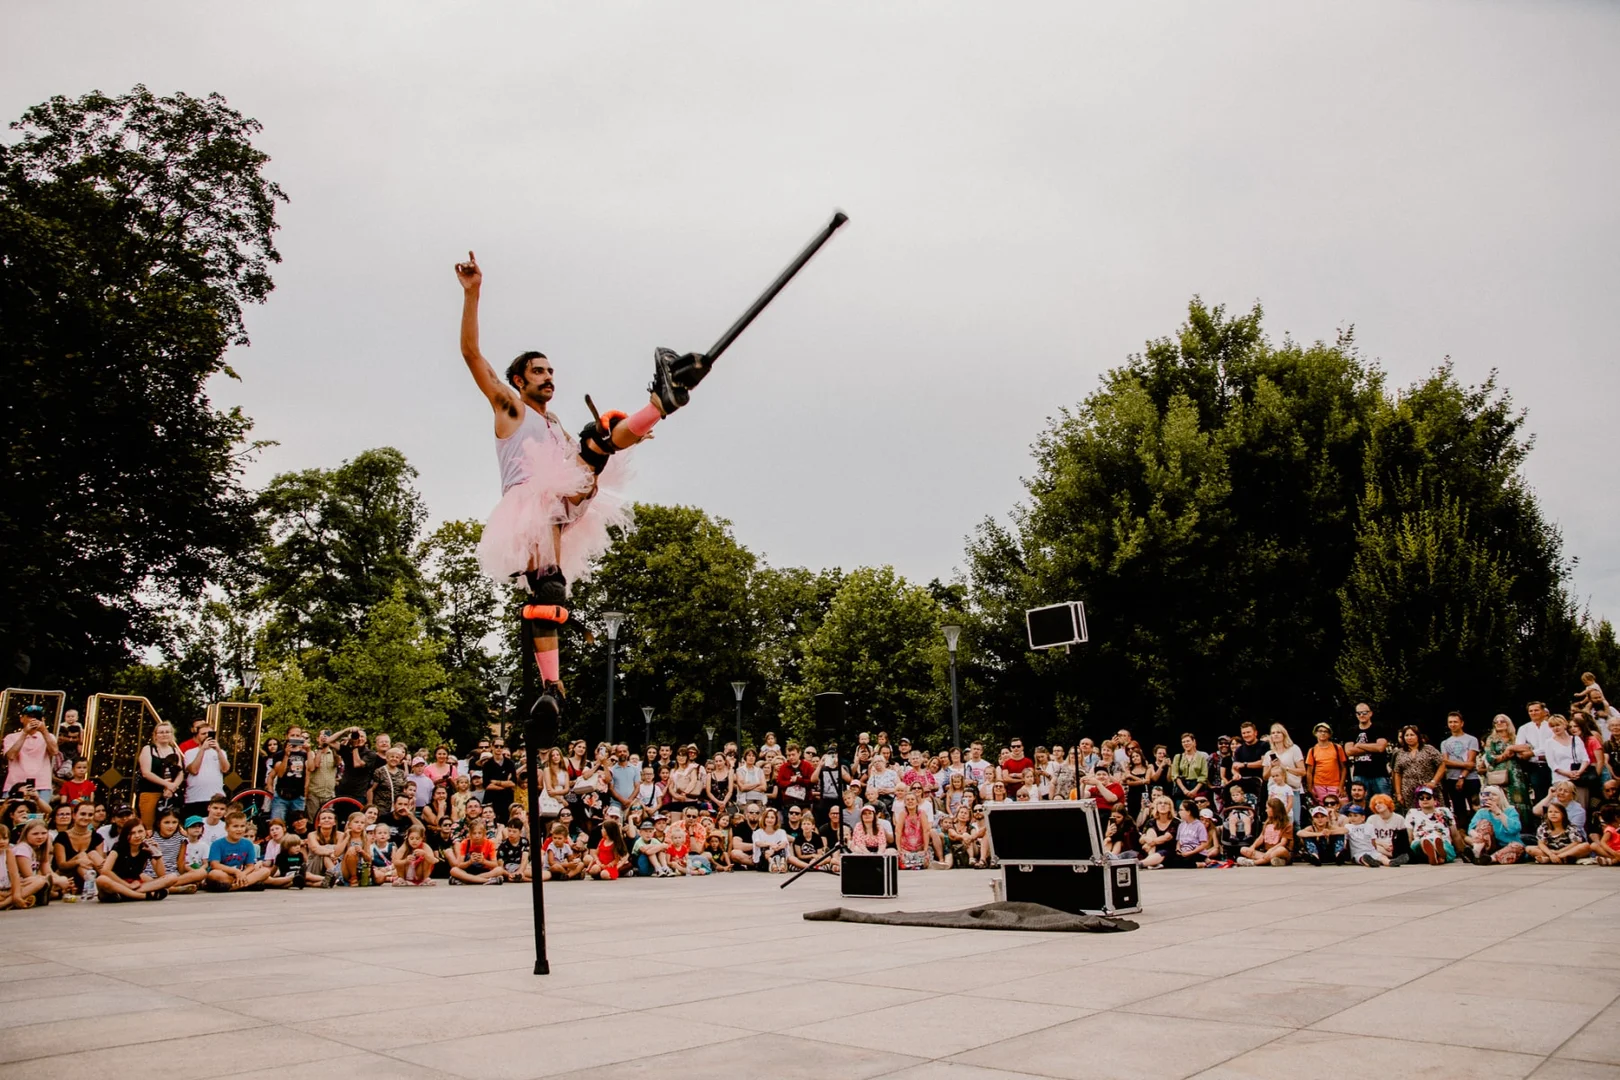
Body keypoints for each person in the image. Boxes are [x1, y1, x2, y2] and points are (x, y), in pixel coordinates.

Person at [456, 252, 680, 716]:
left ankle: (660, 403)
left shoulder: (554, 421)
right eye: (539, 371)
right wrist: (473, 293)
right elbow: (473, 355)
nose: (548, 378)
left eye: (551, 372)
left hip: (564, 500)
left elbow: (584, 459)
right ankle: (552, 686)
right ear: (519, 380)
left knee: (599, 439)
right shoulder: (510, 409)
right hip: (529, 507)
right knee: (549, 592)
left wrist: (619, 438)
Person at [95, 822, 176, 901]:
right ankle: (142, 896)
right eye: (132, 833)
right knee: (101, 879)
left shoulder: (146, 848)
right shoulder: (118, 846)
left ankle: (126, 894)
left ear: (146, 832)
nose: (137, 836)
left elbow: (161, 875)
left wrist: (158, 853)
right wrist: (128, 885)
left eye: (140, 831)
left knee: (172, 877)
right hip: (116, 883)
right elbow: (106, 871)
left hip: (136, 884)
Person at [1480, 714, 1532, 822]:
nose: (1499, 723)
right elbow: (1490, 758)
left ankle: (1522, 825)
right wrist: (1506, 754)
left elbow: (1528, 749)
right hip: (1499, 775)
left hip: (1516, 775)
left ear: (1508, 723)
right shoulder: (1491, 739)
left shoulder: (1516, 738)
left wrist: (1512, 748)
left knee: (1519, 800)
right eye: (1496, 722)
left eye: (1502, 721)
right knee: (1500, 799)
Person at [4, 705, 59, 804]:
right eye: (30, 716)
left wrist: (44, 731)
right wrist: (25, 733)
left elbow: (54, 752)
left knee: (41, 813)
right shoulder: (11, 737)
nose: (34, 719)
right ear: (22, 719)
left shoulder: (49, 736)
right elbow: (11, 756)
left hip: (42, 786)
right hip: (14, 785)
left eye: (37, 717)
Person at [135, 721, 184, 830]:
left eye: (167, 732)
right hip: (150, 793)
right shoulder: (148, 749)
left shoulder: (175, 751)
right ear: (155, 735)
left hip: (170, 794)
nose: (164, 734)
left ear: (171, 734)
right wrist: (167, 784)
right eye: (161, 732)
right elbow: (146, 773)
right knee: (149, 826)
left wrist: (172, 787)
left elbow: (180, 772)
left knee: (170, 826)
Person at [206, 811, 270, 892]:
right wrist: (236, 872)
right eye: (235, 826)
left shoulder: (248, 844)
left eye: (242, 826)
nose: (239, 829)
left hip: (242, 874)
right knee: (214, 874)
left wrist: (242, 874)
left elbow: (250, 866)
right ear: (227, 828)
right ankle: (247, 884)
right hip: (225, 874)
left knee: (265, 871)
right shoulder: (217, 844)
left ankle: (233, 887)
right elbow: (215, 865)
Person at [1437, 711, 1480, 822]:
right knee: (1459, 810)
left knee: (1476, 808)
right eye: (1450, 722)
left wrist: (1462, 777)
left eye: (1455, 722)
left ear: (1462, 723)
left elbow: (1471, 761)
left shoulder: (1472, 739)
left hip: (1470, 778)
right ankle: (1462, 830)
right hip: (1451, 778)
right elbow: (1445, 762)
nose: (1453, 724)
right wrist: (1465, 764)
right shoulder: (1445, 743)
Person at [181, 724, 230, 820]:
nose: (207, 736)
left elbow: (225, 769)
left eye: (209, 733)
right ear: (197, 736)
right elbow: (194, 770)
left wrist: (218, 750)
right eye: (203, 734)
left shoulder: (221, 752)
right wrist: (202, 749)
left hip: (216, 798)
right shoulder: (190, 753)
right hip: (195, 798)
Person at [1466, 785, 1525, 864]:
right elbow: (1470, 829)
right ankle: (1476, 853)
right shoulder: (1482, 812)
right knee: (1484, 823)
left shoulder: (1510, 810)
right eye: (1487, 795)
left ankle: (1489, 859)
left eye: (1494, 795)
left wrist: (1498, 812)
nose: (1490, 798)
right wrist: (1478, 836)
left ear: (1500, 797)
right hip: (1489, 846)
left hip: (1508, 845)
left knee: (1517, 846)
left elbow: (1515, 828)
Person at [1391, 725, 1442, 812]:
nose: (1409, 738)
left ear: (1418, 736)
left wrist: (1434, 781)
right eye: (1406, 735)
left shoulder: (1429, 749)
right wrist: (1398, 794)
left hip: (1429, 788)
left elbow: (1441, 765)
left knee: (1435, 813)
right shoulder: (1399, 753)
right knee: (1414, 814)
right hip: (1409, 791)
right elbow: (1397, 773)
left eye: (1412, 735)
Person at [1344, 702, 1391, 797]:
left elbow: (1380, 748)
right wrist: (1372, 748)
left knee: (1384, 802)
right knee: (1360, 803)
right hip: (1359, 774)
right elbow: (1349, 751)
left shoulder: (1379, 728)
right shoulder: (1351, 731)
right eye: (1359, 713)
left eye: (1364, 712)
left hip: (1379, 774)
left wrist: (1359, 745)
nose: (1361, 715)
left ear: (1370, 713)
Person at [1528, 801, 1589, 865]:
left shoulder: (1570, 826)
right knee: (1529, 849)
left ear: (1563, 814)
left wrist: (1559, 852)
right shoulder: (1544, 827)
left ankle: (1553, 859)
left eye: (1556, 812)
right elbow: (1541, 843)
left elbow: (1576, 842)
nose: (1553, 814)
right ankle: (1558, 859)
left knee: (1585, 846)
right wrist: (1550, 854)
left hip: (1567, 850)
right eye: (1550, 812)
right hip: (1551, 850)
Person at [1238, 798, 1293, 866]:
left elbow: (1283, 843)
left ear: (1275, 810)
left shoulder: (1287, 825)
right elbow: (1261, 837)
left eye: (1268, 808)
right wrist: (1253, 847)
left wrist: (1270, 850)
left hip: (1280, 852)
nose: (1266, 810)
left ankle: (1253, 862)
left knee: (1280, 850)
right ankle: (1275, 861)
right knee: (1243, 849)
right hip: (1266, 853)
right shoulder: (1268, 823)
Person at [1304, 723, 1348, 805]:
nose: (1323, 733)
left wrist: (1341, 786)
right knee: (1323, 809)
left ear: (1329, 734)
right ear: (1316, 733)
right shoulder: (1312, 750)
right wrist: (1310, 788)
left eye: (1325, 731)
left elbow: (1344, 768)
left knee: (1340, 805)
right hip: (1318, 785)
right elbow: (1309, 772)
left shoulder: (1337, 748)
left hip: (1335, 785)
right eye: (1320, 731)